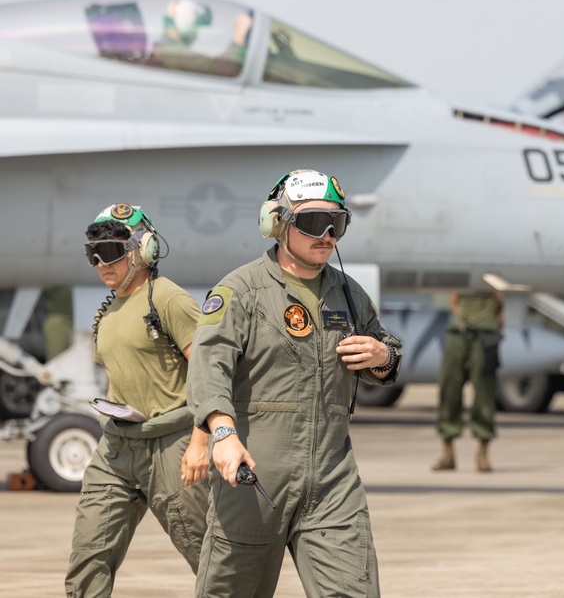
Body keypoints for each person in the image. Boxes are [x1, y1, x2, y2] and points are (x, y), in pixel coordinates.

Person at [186, 169, 402, 598]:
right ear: (277, 223)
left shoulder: (349, 294)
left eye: (336, 224)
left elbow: (383, 351)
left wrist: (383, 357)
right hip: (252, 477)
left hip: (332, 481)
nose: (326, 235)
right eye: (312, 222)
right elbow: (209, 368)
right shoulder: (241, 291)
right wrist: (222, 434)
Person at [66, 203, 209, 597]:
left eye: (111, 252)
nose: (101, 264)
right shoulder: (108, 310)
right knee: (88, 556)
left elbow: (211, 373)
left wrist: (201, 442)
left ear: (143, 250)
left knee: (209, 558)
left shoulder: (168, 299)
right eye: (93, 255)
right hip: (116, 446)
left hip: (171, 445)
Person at [433, 291, 504, 472]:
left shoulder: (496, 271)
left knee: (484, 394)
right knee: (449, 390)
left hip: (485, 333)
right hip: (459, 331)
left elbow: (502, 300)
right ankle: (448, 453)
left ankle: (483, 452)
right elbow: (454, 296)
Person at [147, 0, 252, 77]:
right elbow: (225, 68)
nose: (196, 35)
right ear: (186, 24)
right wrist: (240, 32)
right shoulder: (175, 54)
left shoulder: (164, 49)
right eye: (196, 29)